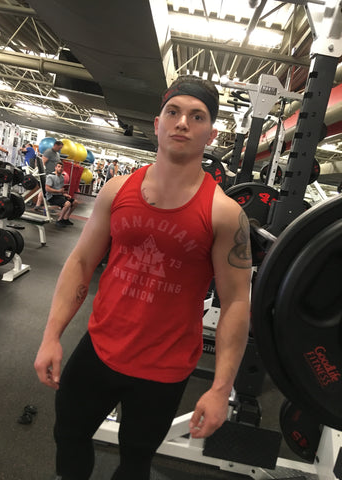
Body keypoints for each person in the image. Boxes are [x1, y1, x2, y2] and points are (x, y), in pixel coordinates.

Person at [34, 74, 252, 480]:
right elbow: (81, 262)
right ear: (157, 123)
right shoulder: (117, 190)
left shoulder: (225, 214)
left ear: (211, 133)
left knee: (135, 462)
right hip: (98, 349)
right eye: (173, 112)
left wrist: (221, 388)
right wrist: (51, 336)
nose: (182, 122)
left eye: (196, 116)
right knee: (68, 436)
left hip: (165, 369)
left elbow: (237, 301)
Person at [45, 161, 79, 228]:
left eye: (61, 167)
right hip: (52, 196)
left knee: (75, 202)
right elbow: (47, 189)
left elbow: (61, 189)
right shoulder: (50, 176)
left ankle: (65, 218)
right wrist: (58, 191)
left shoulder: (62, 177)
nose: (60, 168)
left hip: (59, 196)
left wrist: (64, 194)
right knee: (67, 204)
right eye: (58, 167)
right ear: (55, 168)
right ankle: (59, 220)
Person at [34, 140, 64, 210]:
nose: (60, 149)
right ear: (55, 145)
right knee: (45, 190)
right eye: (59, 148)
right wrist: (41, 173)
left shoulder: (57, 154)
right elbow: (42, 163)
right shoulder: (48, 152)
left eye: (61, 148)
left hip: (53, 175)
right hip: (47, 175)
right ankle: (39, 205)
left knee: (45, 190)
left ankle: (39, 206)